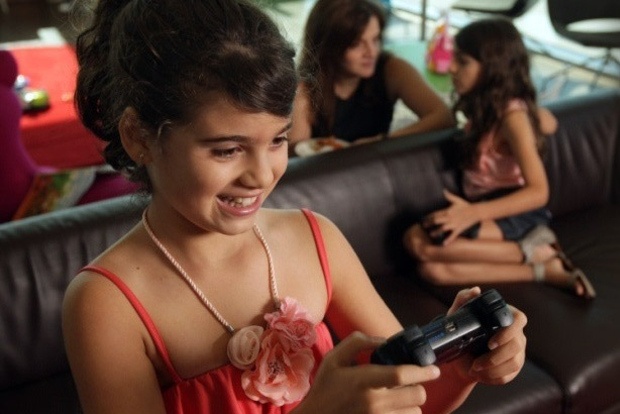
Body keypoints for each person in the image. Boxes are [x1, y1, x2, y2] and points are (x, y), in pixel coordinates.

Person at [62, 1, 527, 413]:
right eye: (226, 150)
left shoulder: (314, 237)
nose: (261, 175)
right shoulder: (107, 306)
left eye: (278, 140)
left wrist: (465, 362)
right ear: (139, 137)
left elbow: (412, 401)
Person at [403, 18, 596, 299]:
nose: (452, 67)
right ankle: (542, 265)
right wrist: (539, 119)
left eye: (463, 61)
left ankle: (532, 247)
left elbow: (539, 191)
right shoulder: (487, 105)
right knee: (432, 271)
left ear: (493, 67)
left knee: (418, 243)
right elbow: (548, 122)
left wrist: (471, 213)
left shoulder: (511, 117)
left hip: (513, 209)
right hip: (485, 203)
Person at [288, 0, 455, 149]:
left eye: (375, 39)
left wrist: (383, 140)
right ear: (329, 46)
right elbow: (296, 155)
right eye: (356, 44)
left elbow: (443, 117)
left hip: (376, 166)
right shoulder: (306, 89)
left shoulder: (391, 68)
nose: (371, 52)